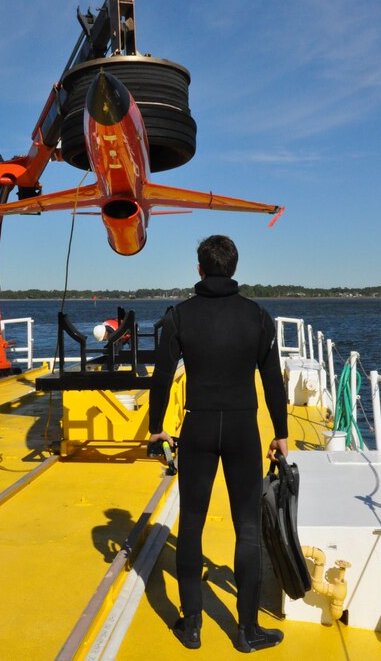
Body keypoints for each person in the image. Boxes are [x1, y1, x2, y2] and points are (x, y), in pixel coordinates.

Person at [148, 236, 288, 653]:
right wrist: (280, 432)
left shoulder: (179, 316)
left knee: (191, 523)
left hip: (198, 428)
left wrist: (157, 427)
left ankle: (191, 626)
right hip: (244, 429)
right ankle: (246, 631)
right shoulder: (257, 316)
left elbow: (159, 377)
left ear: (199, 269)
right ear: (234, 266)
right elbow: (272, 381)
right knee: (247, 526)